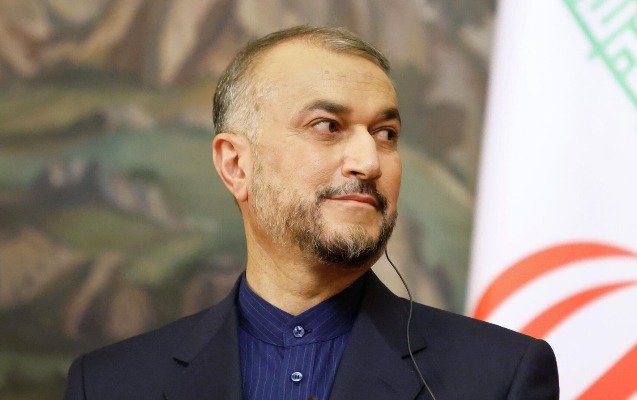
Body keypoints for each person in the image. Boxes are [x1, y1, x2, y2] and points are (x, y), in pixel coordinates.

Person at [64, 25, 559, 400]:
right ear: (236, 165)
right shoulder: (108, 384)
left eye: (385, 134)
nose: (369, 162)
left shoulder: (501, 376)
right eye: (327, 126)